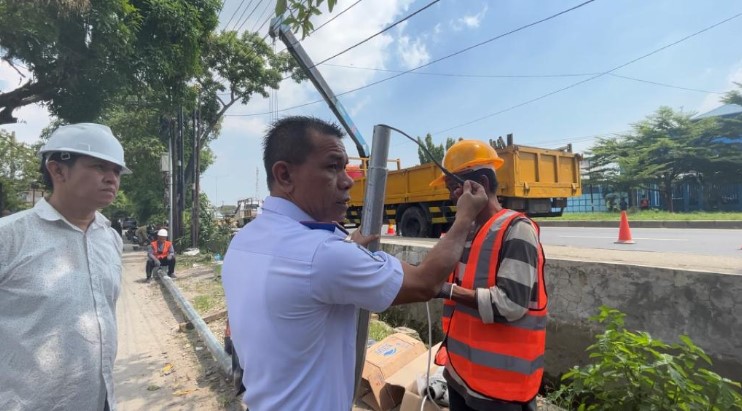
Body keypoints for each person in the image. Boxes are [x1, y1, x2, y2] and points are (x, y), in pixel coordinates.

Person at [221, 116, 488, 411]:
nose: (348, 180)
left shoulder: (244, 240)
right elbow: (426, 283)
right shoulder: (322, 255)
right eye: (332, 167)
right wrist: (464, 217)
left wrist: (347, 253)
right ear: (284, 175)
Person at [0, 123, 130, 410]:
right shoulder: (9, 237)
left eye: (117, 171)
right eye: (99, 167)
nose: (111, 179)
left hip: (101, 400)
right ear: (58, 170)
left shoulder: (109, 238)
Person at [430, 140, 548, 411]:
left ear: (480, 183)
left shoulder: (517, 230)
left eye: (454, 187)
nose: (451, 196)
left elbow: (510, 304)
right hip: (460, 374)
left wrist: (446, 290)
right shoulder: (465, 231)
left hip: (499, 391)